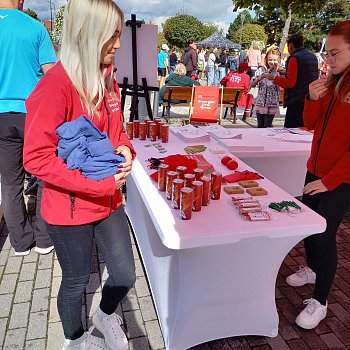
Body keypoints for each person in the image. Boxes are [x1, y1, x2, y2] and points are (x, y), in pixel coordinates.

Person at [23, 1, 136, 349]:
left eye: (118, 34)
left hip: (108, 198)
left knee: (124, 275)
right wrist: (98, 182)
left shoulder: (107, 76)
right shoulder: (55, 85)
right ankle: (75, 339)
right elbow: (36, 158)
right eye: (112, 35)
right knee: (75, 281)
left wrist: (126, 148)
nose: (117, 43)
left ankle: (104, 313)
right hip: (69, 207)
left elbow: (116, 129)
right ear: (88, 34)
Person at [285, 20, 350, 330]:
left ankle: (321, 300)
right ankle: (311, 269)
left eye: (335, 53)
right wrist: (311, 98)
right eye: (328, 53)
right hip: (316, 169)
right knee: (308, 226)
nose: (329, 60)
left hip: (340, 180)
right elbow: (311, 124)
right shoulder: (333, 82)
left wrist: (329, 180)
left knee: (325, 235)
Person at [0, 0, 56, 256]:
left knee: (10, 182)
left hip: (1, 116)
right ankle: (44, 238)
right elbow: (51, 74)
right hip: (32, 113)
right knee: (44, 174)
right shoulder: (35, 28)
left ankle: (20, 242)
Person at [264, 33, 318, 128]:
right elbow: (304, 74)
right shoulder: (312, 56)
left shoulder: (294, 57)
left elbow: (290, 83)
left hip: (296, 101)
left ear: (291, 46)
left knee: (291, 131)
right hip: (310, 99)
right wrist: (285, 72)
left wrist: (274, 78)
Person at [251, 48, 282, 128]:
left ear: (279, 60)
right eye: (270, 60)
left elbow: (284, 83)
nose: (272, 62)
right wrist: (259, 78)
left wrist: (275, 77)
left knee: (267, 127)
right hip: (260, 102)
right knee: (260, 126)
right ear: (266, 60)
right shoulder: (261, 70)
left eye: (275, 60)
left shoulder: (280, 72)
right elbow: (252, 84)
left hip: (272, 104)